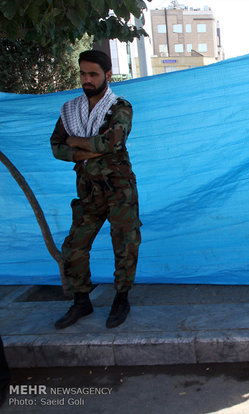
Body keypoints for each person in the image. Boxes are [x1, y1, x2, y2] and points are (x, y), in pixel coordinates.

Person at [50, 50, 141, 329]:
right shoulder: (70, 110)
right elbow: (56, 146)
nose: (86, 79)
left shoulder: (120, 107)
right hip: (88, 190)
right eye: (83, 73)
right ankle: (81, 301)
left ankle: (121, 298)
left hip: (118, 189)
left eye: (93, 74)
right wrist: (82, 152)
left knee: (124, 244)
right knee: (74, 246)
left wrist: (76, 141)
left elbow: (111, 143)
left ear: (108, 76)